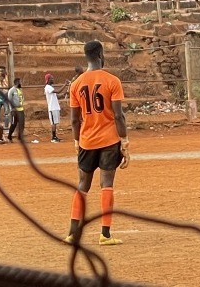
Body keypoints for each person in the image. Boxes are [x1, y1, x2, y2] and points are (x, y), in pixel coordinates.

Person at [64, 40, 130, 246]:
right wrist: (125, 141)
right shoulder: (112, 81)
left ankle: (72, 234)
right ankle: (105, 235)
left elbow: (75, 119)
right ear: (101, 54)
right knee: (106, 184)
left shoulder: (76, 84)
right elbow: (118, 116)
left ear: (86, 56)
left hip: (86, 140)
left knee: (83, 185)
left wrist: (76, 141)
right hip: (110, 140)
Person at [44, 73, 64, 143]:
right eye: (51, 78)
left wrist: (64, 94)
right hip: (52, 107)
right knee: (53, 123)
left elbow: (57, 96)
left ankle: (55, 136)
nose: (53, 79)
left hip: (55, 107)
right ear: (48, 80)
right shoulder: (48, 87)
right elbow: (58, 91)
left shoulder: (51, 87)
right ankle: (53, 137)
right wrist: (65, 84)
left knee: (55, 123)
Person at [0, 65, 11, 130]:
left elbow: (10, 87)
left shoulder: (8, 78)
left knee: (6, 112)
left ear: (5, 71)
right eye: (0, 71)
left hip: (6, 97)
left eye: (2, 71)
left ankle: (6, 127)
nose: (1, 72)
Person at [7, 78, 25, 142]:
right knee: (14, 124)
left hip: (21, 109)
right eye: (20, 82)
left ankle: (20, 137)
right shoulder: (11, 90)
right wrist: (12, 108)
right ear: (17, 82)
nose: (21, 83)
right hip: (14, 110)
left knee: (22, 124)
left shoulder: (19, 90)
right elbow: (9, 99)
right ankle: (9, 136)